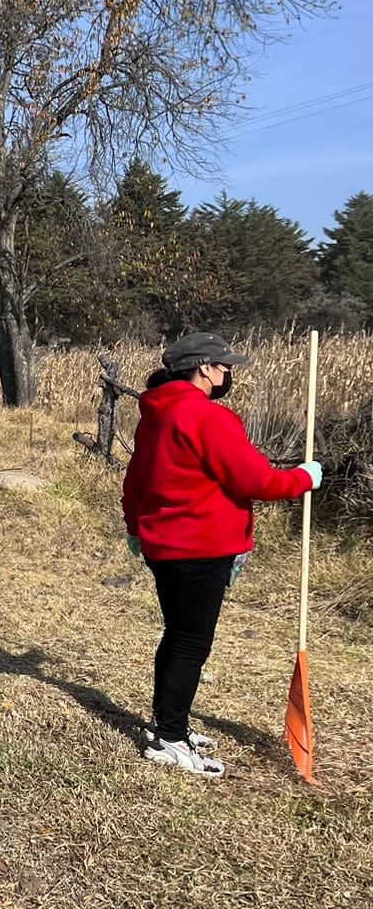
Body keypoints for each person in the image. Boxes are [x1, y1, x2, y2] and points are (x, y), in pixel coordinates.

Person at [123, 331, 321, 777]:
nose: (229, 372)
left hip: (165, 546)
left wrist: (136, 527)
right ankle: (169, 739)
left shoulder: (154, 414)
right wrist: (303, 478)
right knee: (190, 643)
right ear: (204, 368)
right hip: (199, 547)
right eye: (224, 365)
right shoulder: (207, 417)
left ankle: (169, 723)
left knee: (179, 636)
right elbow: (256, 481)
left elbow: (134, 480)